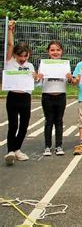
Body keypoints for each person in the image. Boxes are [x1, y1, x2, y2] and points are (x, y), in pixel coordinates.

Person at [4, 21, 37, 165]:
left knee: (24, 125)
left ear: (28, 55)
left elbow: (34, 80)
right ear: (15, 56)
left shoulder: (30, 65)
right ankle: (10, 151)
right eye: (20, 57)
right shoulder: (10, 62)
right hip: (12, 97)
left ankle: (17, 150)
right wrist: (10, 30)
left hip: (25, 97)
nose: (22, 59)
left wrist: (37, 77)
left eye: (25, 56)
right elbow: (10, 45)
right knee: (13, 125)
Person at [37, 40, 72, 156]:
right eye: (52, 50)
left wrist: (70, 78)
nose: (55, 52)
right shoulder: (44, 64)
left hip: (61, 95)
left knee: (59, 121)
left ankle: (58, 145)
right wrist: (39, 77)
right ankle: (47, 146)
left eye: (58, 50)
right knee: (48, 121)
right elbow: (37, 82)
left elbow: (70, 81)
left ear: (61, 51)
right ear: (48, 52)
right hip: (47, 95)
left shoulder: (65, 64)